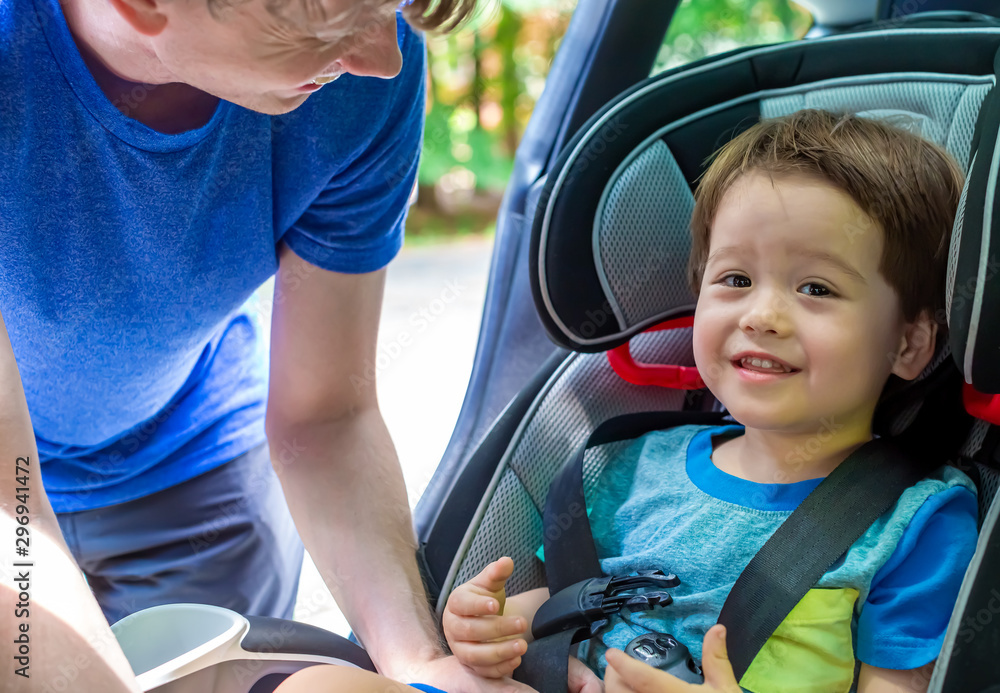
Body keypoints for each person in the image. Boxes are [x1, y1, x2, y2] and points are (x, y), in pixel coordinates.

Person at [0, 0, 534, 689]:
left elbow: (326, 418)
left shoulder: (362, 77)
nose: (385, 59)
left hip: (193, 466)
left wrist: (419, 663)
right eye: (331, 26)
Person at [438, 109, 980, 693]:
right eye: (736, 280)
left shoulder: (912, 522)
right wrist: (489, 628)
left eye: (816, 288)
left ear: (909, 343)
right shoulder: (628, 467)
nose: (761, 316)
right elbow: (568, 600)